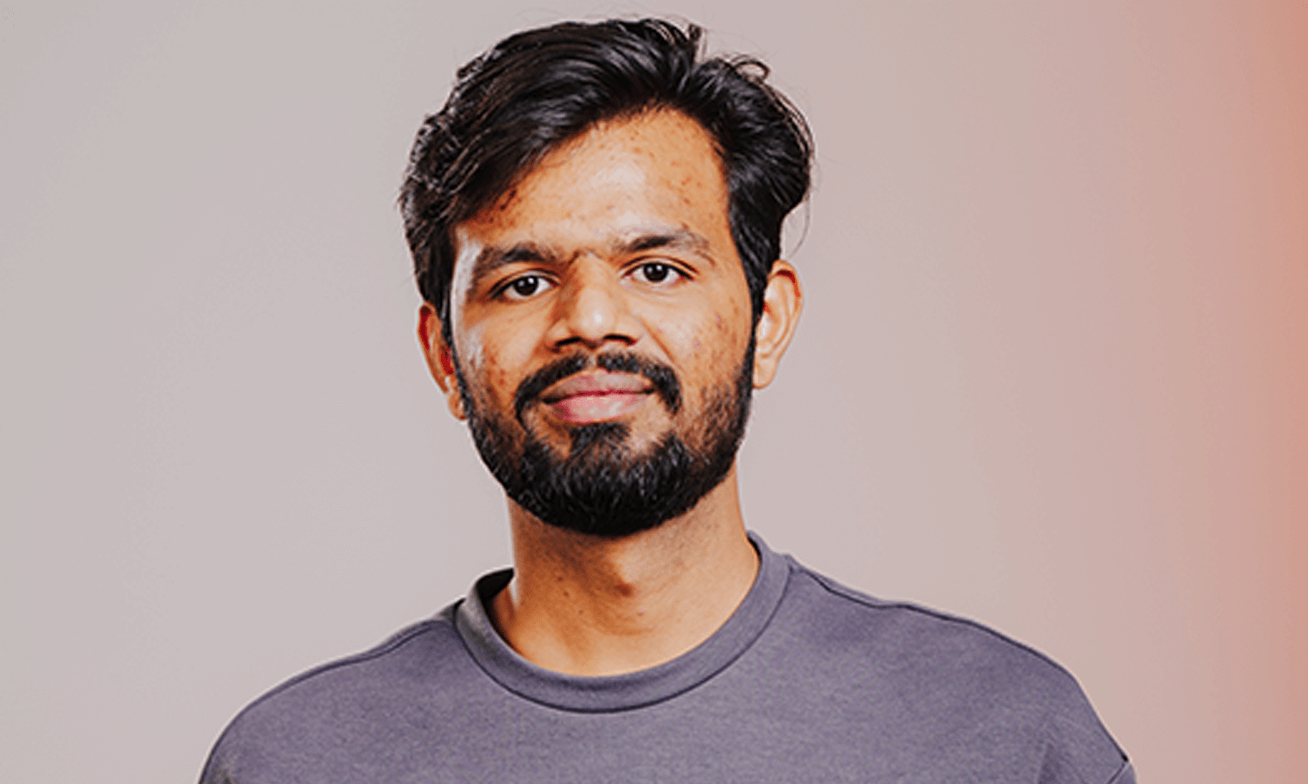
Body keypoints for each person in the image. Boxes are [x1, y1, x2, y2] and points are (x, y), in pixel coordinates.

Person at [199, 18, 1134, 784]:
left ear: (767, 320)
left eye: (657, 268)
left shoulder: (1008, 739)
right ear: (445, 356)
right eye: (523, 282)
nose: (591, 320)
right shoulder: (293, 760)